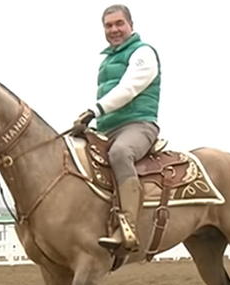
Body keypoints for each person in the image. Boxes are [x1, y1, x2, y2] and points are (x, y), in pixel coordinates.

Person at [71, 4, 162, 252]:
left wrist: (93, 111)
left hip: (139, 124)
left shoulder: (143, 53)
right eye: (108, 25)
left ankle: (128, 228)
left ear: (131, 25)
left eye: (119, 23)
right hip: (107, 129)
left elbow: (128, 88)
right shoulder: (107, 60)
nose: (114, 29)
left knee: (120, 153)